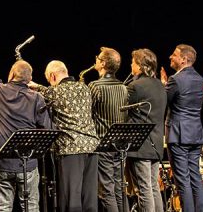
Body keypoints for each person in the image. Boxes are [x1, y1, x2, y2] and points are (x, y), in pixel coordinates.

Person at [0, 60, 52, 212]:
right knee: (31, 208)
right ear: (29, 80)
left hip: (2, 162)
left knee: (2, 208)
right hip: (28, 164)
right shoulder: (36, 98)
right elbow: (47, 129)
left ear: (11, 74)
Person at [29, 60, 100, 212]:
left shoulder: (55, 92)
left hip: (71, 148)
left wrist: (36, 86)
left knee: (71, 199)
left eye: (49, 79)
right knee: (90, 200)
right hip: (93, 148)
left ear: (53, 76)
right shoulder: (85, 88)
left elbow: (43, 92)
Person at [159, 44, 203, 212]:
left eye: (174, 54)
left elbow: (164, 101)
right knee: (195, 176)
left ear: (184, 59)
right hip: (195, 134)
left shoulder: (176, 80)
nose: (171, 57)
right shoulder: (199, 79)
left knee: (182, 180)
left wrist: (164, 84)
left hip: (178, 134)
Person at [87, 47, 129, 212]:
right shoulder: (123, 87)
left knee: (106, 190)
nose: (95, 60)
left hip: (103, 144)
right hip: (120, 144)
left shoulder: (95, 86)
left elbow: (87, 113)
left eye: (97, 58)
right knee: (119, 187)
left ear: (103, 63)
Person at [126, 48, 167, 212]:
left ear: (140, 66)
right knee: (153, 186)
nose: (131, 65)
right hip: (156, 142)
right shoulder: (160, 85)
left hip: (141, 145)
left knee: (143, 189)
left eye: (133, 62)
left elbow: (124, 112)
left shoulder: (135, 86)